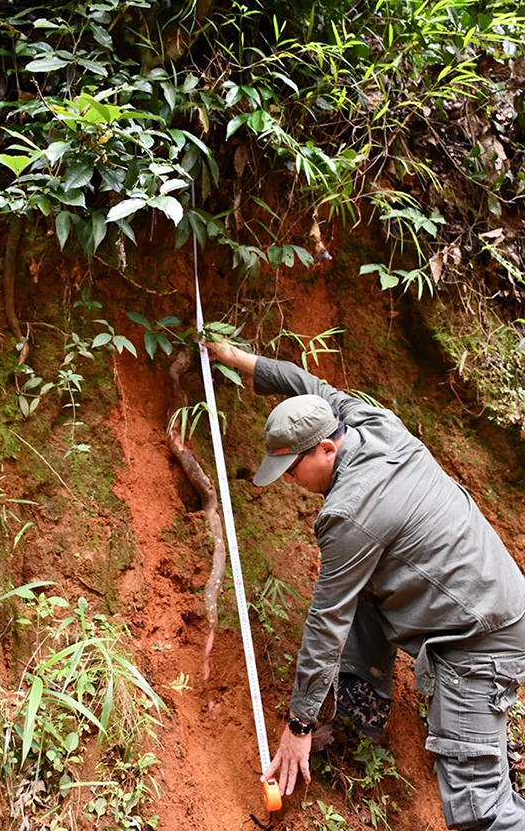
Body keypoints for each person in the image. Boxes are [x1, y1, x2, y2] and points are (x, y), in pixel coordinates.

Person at [207, 340, 525, 831]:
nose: (288, 479)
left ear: (327, 448)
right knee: (364, 586)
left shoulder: (350, 513)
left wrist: (298, 725)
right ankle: (363, 700)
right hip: (490, 599)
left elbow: (326, 622)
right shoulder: (373, 424)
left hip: (477, 643)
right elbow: (307, 384)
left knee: (480, 811)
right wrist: (233, 358)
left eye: (292, 467)